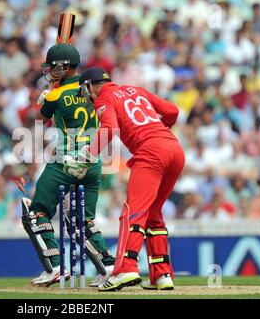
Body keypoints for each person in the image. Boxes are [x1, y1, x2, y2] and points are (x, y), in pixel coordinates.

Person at [64, 67, 184, 291]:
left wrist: (85, 156)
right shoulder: (135, 90)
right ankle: (162, 275)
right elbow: (173, 111)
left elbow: (109, 130)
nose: (87, 100)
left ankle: (126, 268)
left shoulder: (103, 99)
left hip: (151, 152)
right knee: (154, 213)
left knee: (133, 212)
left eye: (84, 93)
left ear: (90, 86)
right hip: (174, 149)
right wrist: (158, 129)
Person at [24, 44, 115, 287]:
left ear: (63, 67)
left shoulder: (55, 94)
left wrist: (44, 99)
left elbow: (37, 119)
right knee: (81, 221)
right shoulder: (95, 89)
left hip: (66, 161)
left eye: (52, 66)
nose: (49, 70)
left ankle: (55, 267)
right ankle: (108, 267)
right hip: (94, 161)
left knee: (36, 213)